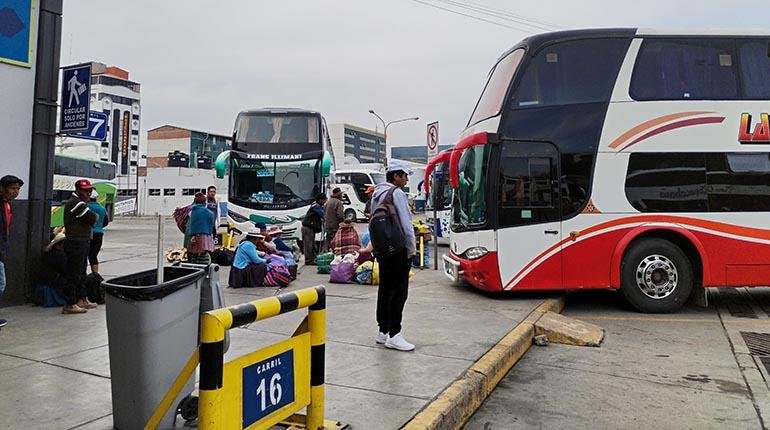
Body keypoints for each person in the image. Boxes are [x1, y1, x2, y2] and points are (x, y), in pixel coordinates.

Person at [371, 160, 417, 351]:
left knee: (385, 289)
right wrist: (411, 248)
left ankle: (383, 331)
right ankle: (394, 334)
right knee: (399, 292)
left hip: (383, 249)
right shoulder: (396, 193)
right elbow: (406, 225)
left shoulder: (376, 194)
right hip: (398, 250)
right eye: (404, 175)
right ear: (395, 176)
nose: (406, 179)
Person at [62, 179, 98, 314]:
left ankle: (82, 299)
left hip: (82, 241)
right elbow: (93, 218)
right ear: (78, 190)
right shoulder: (76, 203)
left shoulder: (80, 203)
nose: (88, 193)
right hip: (76, 242)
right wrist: (93, 216)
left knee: (81, 272)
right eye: (85, 191)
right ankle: (70, 303)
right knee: (74, 273)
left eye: (90, 190)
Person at [0, 175, 23, 327]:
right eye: (12, 188)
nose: (15, 192)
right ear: (2, 189)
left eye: (18, 189)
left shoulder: (7, 204)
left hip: (2, 250)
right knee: (1, 283)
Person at [187, 192, 216, 265]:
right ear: (204, 202)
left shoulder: (191, 211)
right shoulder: (209, 213)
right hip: (205, 237)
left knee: (194, 254)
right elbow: (212, 224)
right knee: (204, 253)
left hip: (192, 237)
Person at [87, 190, 109, 274]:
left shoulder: (86, 207)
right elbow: (106, 222)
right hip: (99, 234)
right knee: (93, 256)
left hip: (88, 234)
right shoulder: (102, 208)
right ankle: (95, 274)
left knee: (84, 255)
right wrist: (99, 227)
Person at [302, 194, 326, 265]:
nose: (325, 202)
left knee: (312, 244)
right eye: (324, 200)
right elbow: (322, 214)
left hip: (311, 228)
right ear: (320, 200)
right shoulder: (316, 206)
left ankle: (312, 258)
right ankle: (309, 260)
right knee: (308, 245)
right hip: (308, 228)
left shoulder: (316, 205)